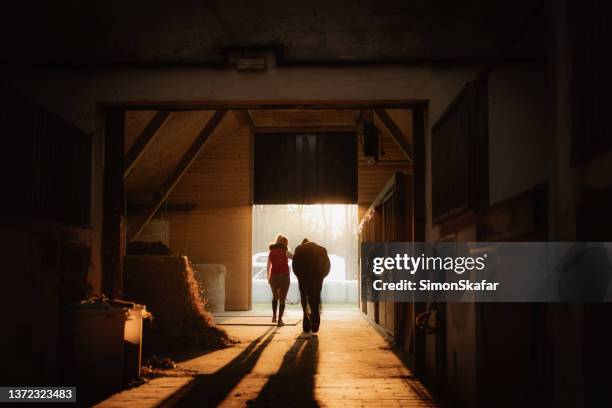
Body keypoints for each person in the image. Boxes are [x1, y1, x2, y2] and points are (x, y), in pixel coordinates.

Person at [291, 238, 330, 334]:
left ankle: (306, 320)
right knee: (316, 295)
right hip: (318, 276)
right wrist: (321, 276)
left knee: (303, 295)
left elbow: (295, 268)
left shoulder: (299, 250)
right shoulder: (321, 250)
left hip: (303, 276)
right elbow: (326, 268)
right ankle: (315, 319)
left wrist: (300, 276)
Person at [267, 234, 293, 326]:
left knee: (275, 297)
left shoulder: (271, 252)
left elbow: (268, 266)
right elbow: (293, 257)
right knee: (282, 299)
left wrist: (268, 278)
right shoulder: (285, 250)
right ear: (284, 243)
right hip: (284, 276)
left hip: (273, 276)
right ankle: (280, 320)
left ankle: (274, 316)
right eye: (286, 243)